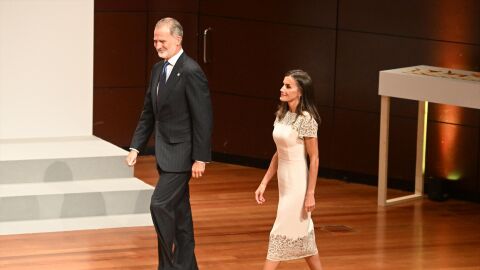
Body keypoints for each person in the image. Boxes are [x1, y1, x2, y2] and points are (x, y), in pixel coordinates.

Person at [125, 17, 212, 270]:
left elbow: (203, 118)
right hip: (165, 154)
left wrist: (200, 157)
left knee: (159, 205)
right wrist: (136, 147)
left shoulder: (191, 71)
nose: (157, 45)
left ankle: (169, 266)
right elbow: (148, 113)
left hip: (181, 156)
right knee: (181, 217)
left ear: (178, 39)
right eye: (155, 40)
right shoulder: (157, 70)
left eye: (162, 40)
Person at [255, 70, 323, 270]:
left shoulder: (307, 119)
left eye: (288, 86)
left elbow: (315, 158)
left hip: (297, 185)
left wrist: (310, 193)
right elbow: (278, 154)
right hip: (284, 183)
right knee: (304, 236)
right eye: (283, 85)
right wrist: (264, 182)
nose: (282, 89)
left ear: (300, 91)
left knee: (279, 231)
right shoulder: (282, 115)